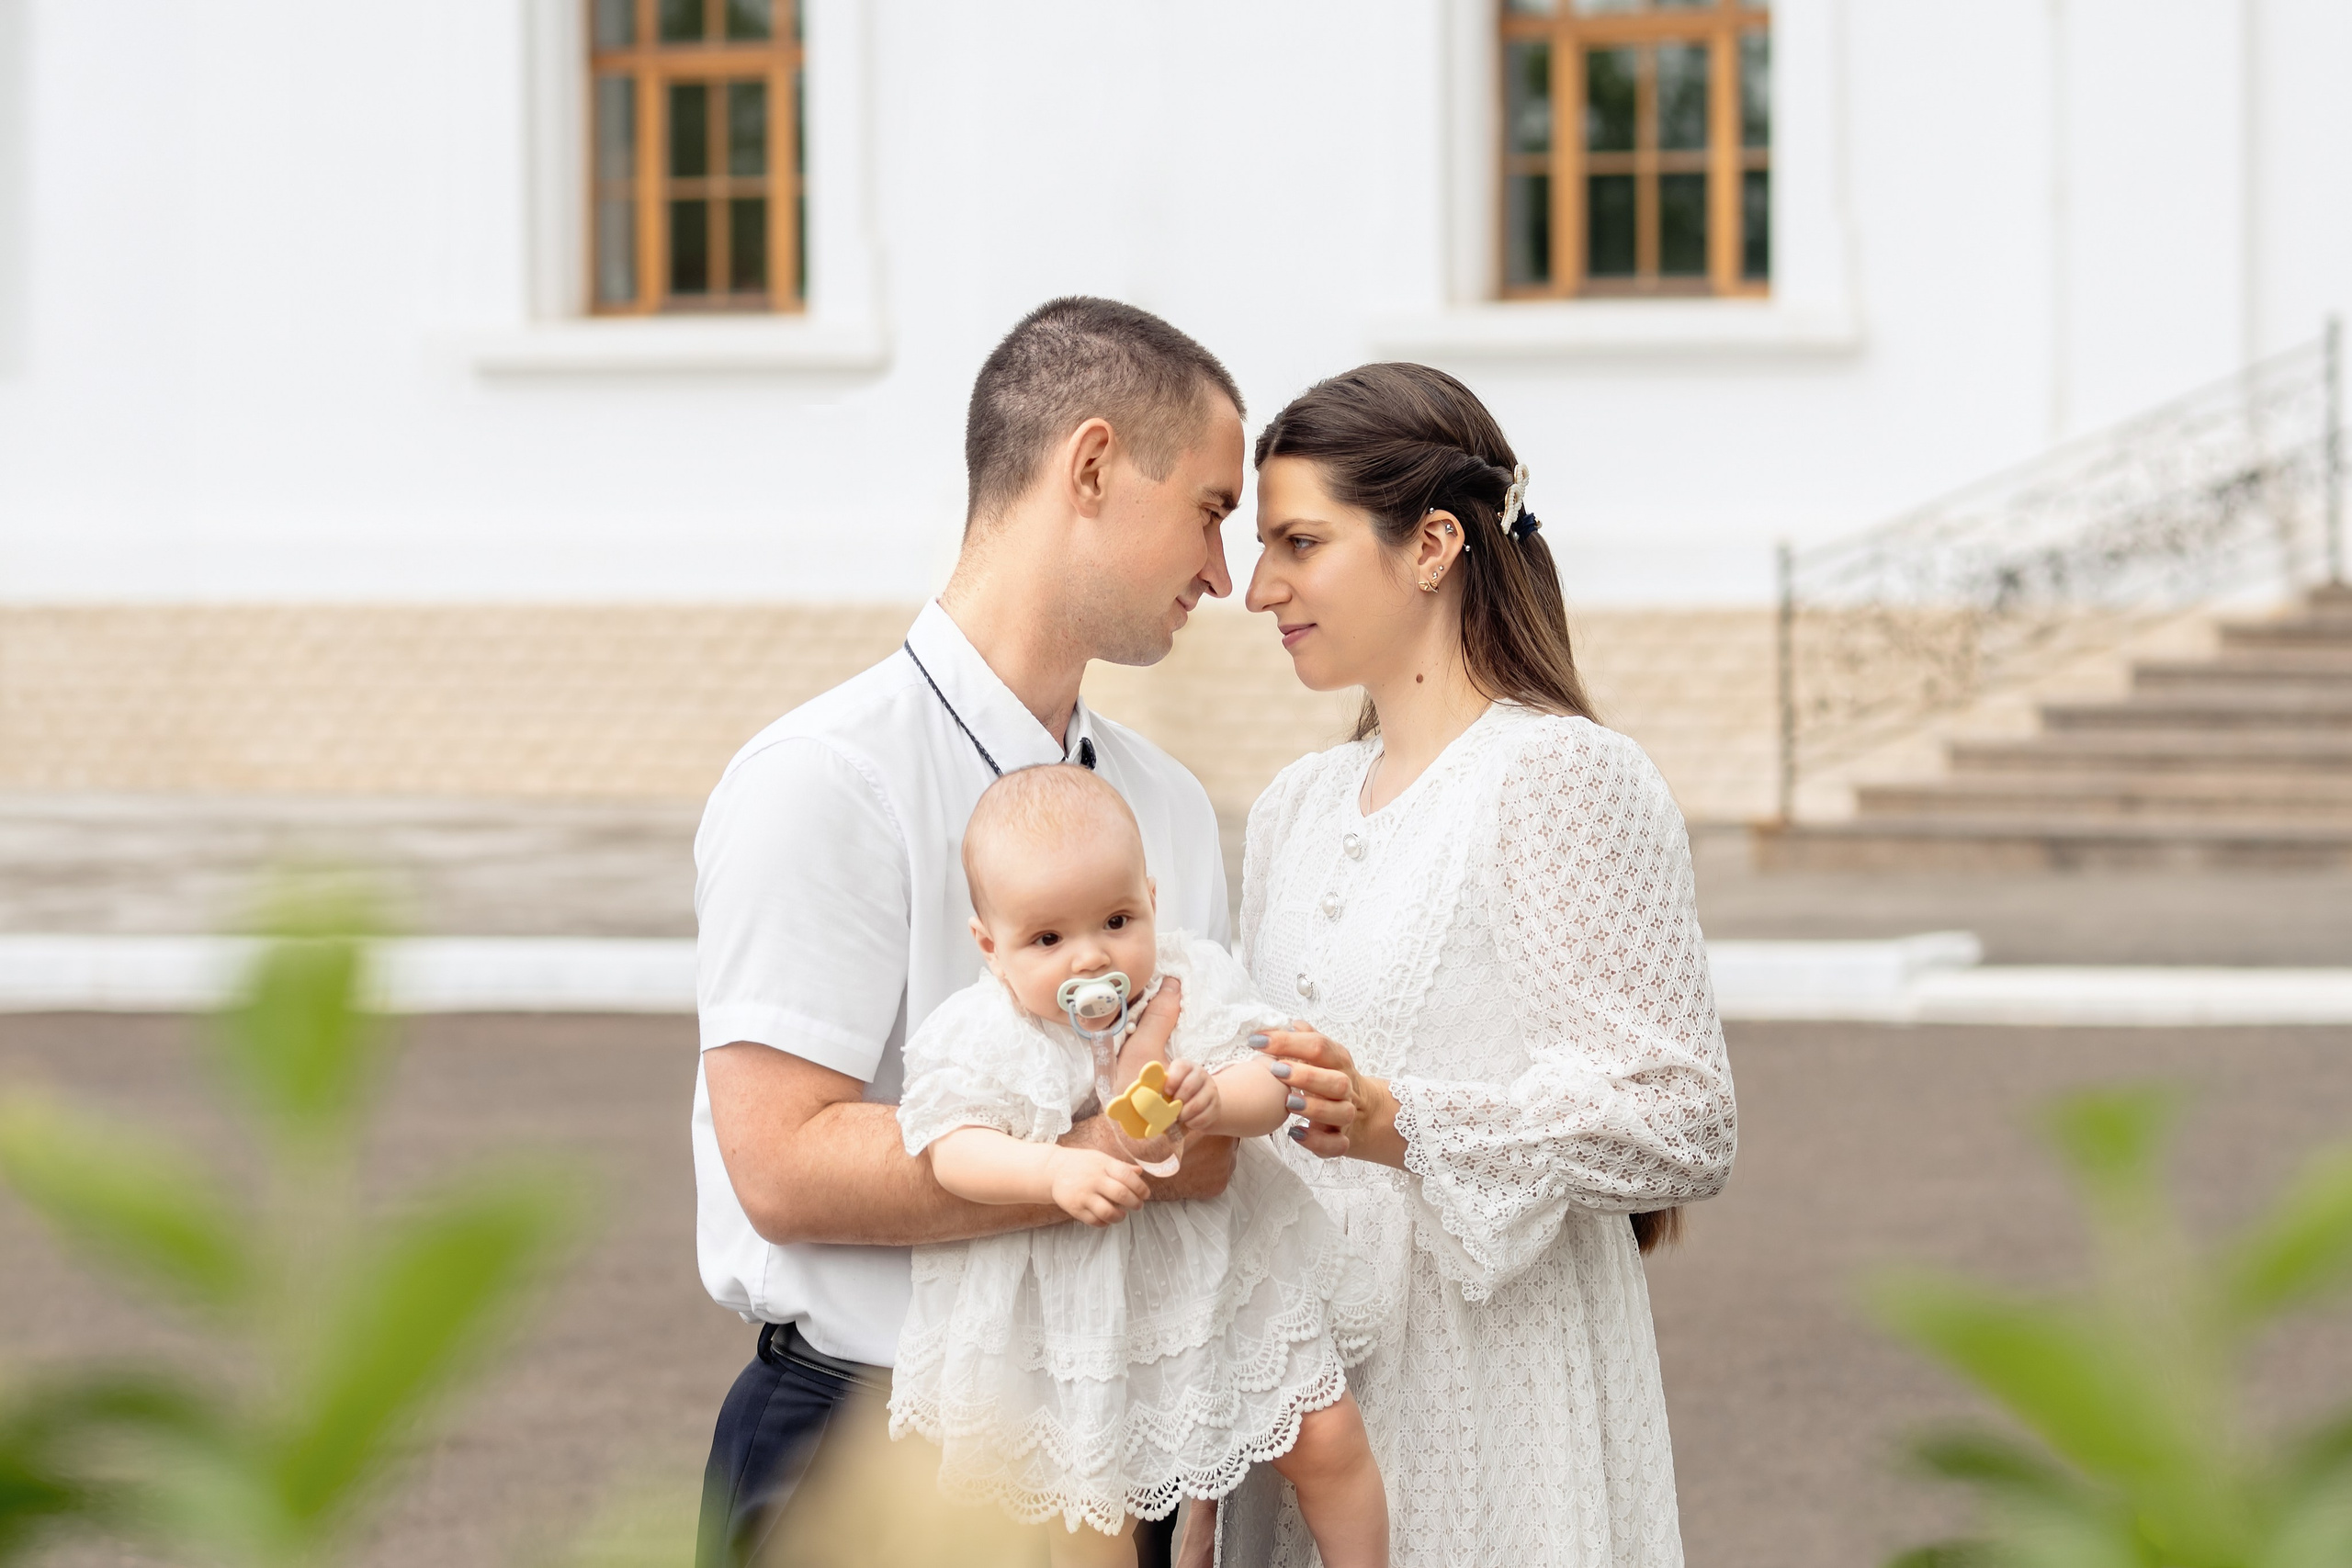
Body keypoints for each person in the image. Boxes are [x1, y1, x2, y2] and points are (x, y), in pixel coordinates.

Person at [690, 297, 1250, 1568]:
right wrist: (1106, 1150)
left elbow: (1213, 1159)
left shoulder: (1166, 807)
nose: (1223, 573)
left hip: (1115, 1458)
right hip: (870, 1449)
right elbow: (784, 1164)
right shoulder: (824, 781)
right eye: (1209, 510)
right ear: (1092, 467)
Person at [1216, 363, 1739, 1565]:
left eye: (1299, 542)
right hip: (1303, 1402)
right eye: (1260, 547)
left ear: (1433, 544)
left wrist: (1400, 1121)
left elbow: (1684, 1119)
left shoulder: (1556, 777)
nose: (1259, 589)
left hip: (1493, 1409)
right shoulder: (1296, 804)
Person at [889, 762, 1386, 1567]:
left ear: (1151, 898)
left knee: (1327, 1436)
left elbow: (1273, 1080)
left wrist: (1218, 1101)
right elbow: (952, 1148)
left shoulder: (1189, 980)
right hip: (1077, 1310)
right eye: (1048, 939)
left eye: (1117, 920)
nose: (1091, 958)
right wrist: (1051, 1172)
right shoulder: (985, 1030)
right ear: (990, 945)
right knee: (1091, 1519)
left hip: (1216, 1279)